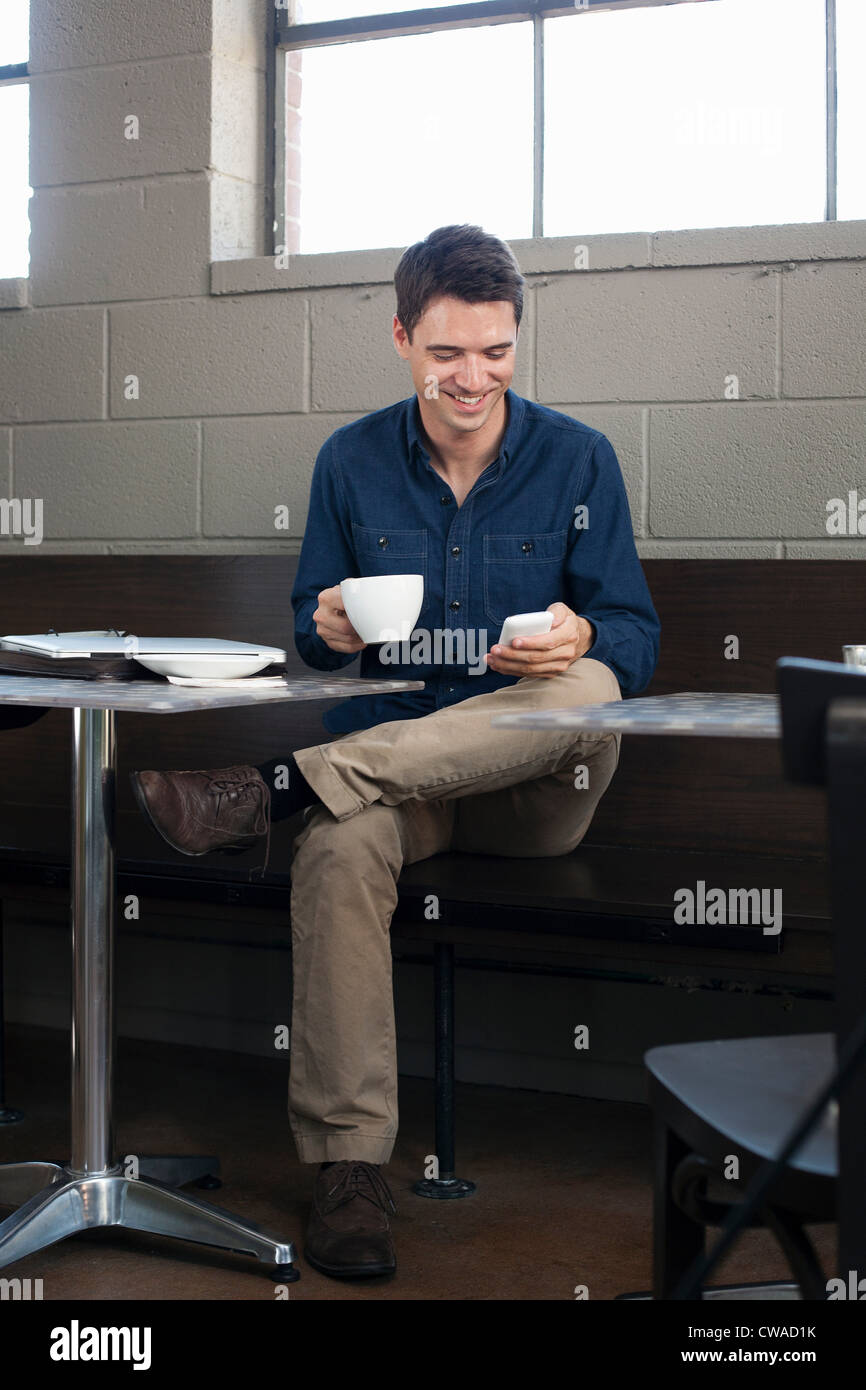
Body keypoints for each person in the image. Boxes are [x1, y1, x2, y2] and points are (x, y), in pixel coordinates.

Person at [130, 224, 660, 1281]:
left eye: (496, 351)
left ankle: (268, 790)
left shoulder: (577, 458)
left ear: (516, 340)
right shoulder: (349, 462)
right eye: (446, 352)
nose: (472, 377)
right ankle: (347, 1169)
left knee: (589, 686)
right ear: (401, 338)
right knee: (334, 852)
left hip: (536, 787)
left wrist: (584, 635)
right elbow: (307, 628)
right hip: (397, 777)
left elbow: (635, 637)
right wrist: (321, 629)